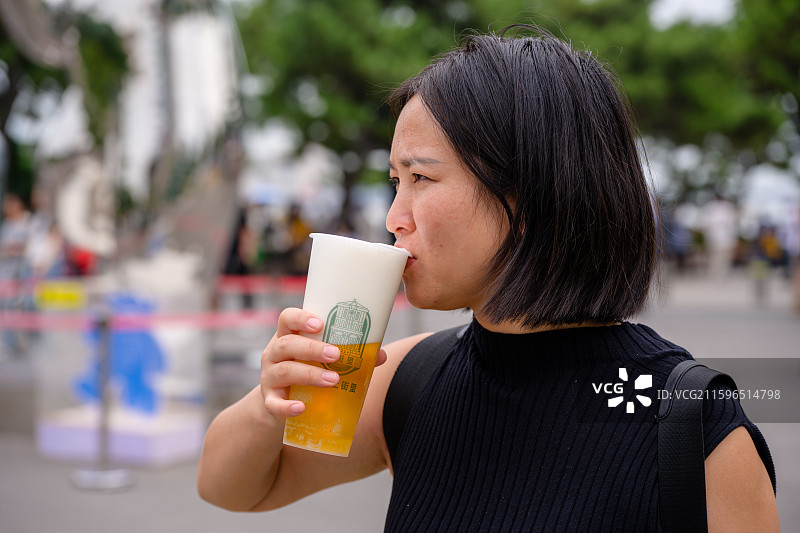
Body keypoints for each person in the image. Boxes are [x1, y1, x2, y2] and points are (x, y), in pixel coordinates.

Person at [197, 26, 779, 531]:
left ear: (528, 193)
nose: (393, 218)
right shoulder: (411, 377)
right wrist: (271, 401)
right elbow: (233, 489)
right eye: (394, 182)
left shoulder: (692, 425)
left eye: (420, 179)